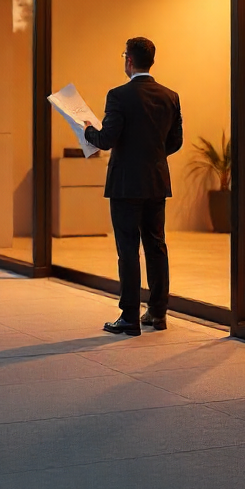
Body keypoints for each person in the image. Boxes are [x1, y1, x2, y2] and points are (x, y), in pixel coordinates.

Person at [84, 36, 182, 337]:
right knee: (156, 246)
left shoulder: (118, 96)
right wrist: (150, 156)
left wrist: (86, 130)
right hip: (155, 181)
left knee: (127, 249)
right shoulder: (170, 96)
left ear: (129, 60)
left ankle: (129, 318)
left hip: (126, 184)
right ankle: (157, 313)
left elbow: (107, 139)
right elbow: (175, 141)